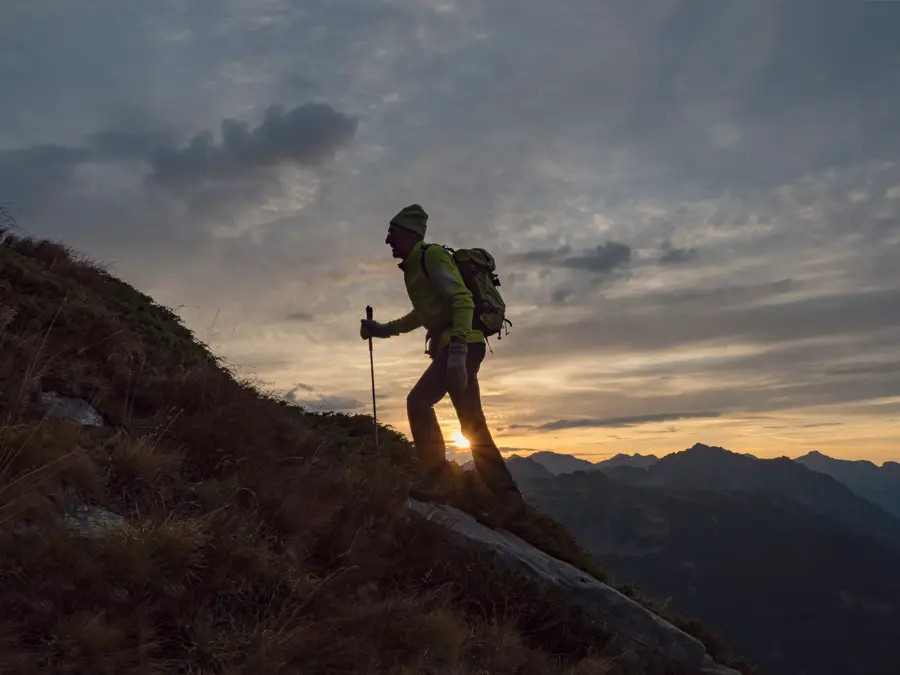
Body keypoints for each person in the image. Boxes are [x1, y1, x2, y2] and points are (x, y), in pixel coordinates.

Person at [360, 203, 525, 527]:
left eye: (392, 233)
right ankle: (503, 501)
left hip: (461, 344)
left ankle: (449, 485)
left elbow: (462, 299)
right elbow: (425, 315)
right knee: (464, 421)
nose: (387, 241)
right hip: (452, 346)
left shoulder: (431, 256)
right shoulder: (413, 268)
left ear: (410, 233)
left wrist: (460, 352)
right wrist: (382, 330)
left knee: (427, 406)